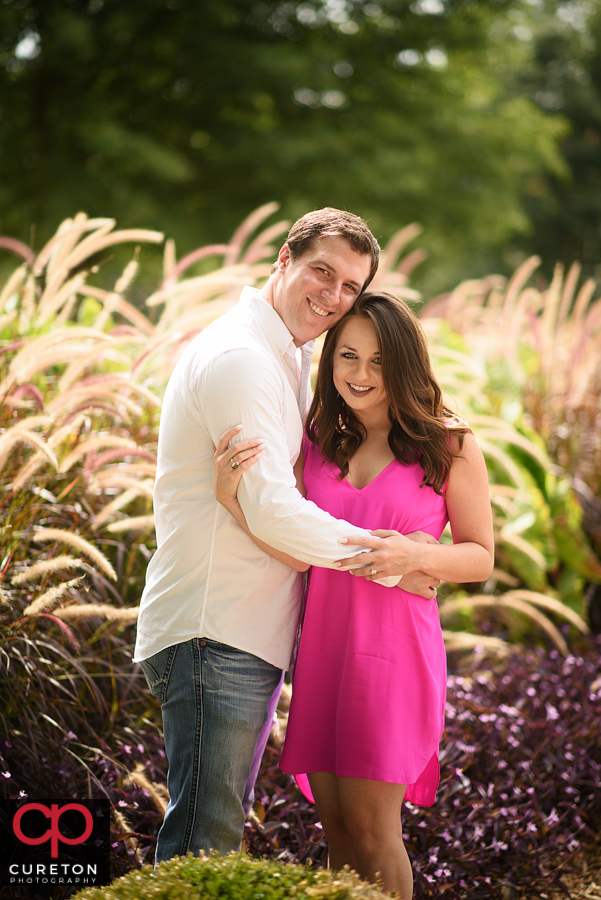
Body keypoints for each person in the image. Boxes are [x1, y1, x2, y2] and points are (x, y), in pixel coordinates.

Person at [133, 209, 439, 864]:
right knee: (201, 848)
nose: (331, 297)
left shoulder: (287, 357)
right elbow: (274, 510)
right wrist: (388, 559)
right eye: (321, 272)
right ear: (282, 259)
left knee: (209, 839)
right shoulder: (244, 358)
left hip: (243, 633)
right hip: (214, 629)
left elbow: (285, 499)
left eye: (349, 286)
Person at [213, 290, 494, 899]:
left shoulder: (448, 444)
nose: (360, 375)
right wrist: (234, 501)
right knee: (337, 827)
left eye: (377, 360)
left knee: (373, 829)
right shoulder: (317, 445)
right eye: (347, 356)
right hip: (324, 651)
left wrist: (415, 555)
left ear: (405, 363)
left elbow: (480, 557)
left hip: (394, 655)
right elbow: (296, 551)